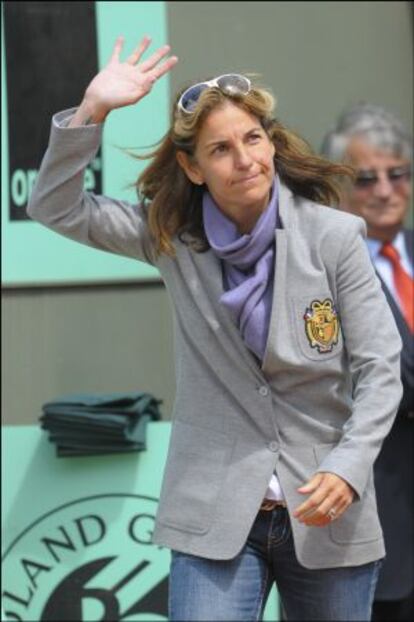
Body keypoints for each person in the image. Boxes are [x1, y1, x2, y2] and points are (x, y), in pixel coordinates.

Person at [27, 35, 404, 621]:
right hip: (213, 515)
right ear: (192, 167)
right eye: (221, 149)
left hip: (327, 509)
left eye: (254, 139)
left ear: (272, 145)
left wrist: (348, 468)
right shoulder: (172, 237)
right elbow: (55, 206)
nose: (245, 159)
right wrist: (92, 110)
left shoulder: (333, 236)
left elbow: (382, 369)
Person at [321, 103, 413, 622]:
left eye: (397, 174)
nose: (384, 189)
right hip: (374, 511)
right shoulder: (322, 267)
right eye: (365, 178)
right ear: (338, 186)